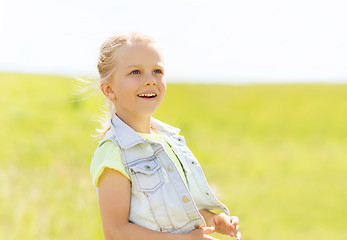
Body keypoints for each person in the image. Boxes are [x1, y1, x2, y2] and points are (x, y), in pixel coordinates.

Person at [89, 32, 241, 240]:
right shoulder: (114, 152)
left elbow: (174, 211)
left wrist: (212, 220)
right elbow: (116, 232)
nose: (150, 80)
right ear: (109, 89)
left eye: (157, 71)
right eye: (135, 72)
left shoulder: (169, 142)